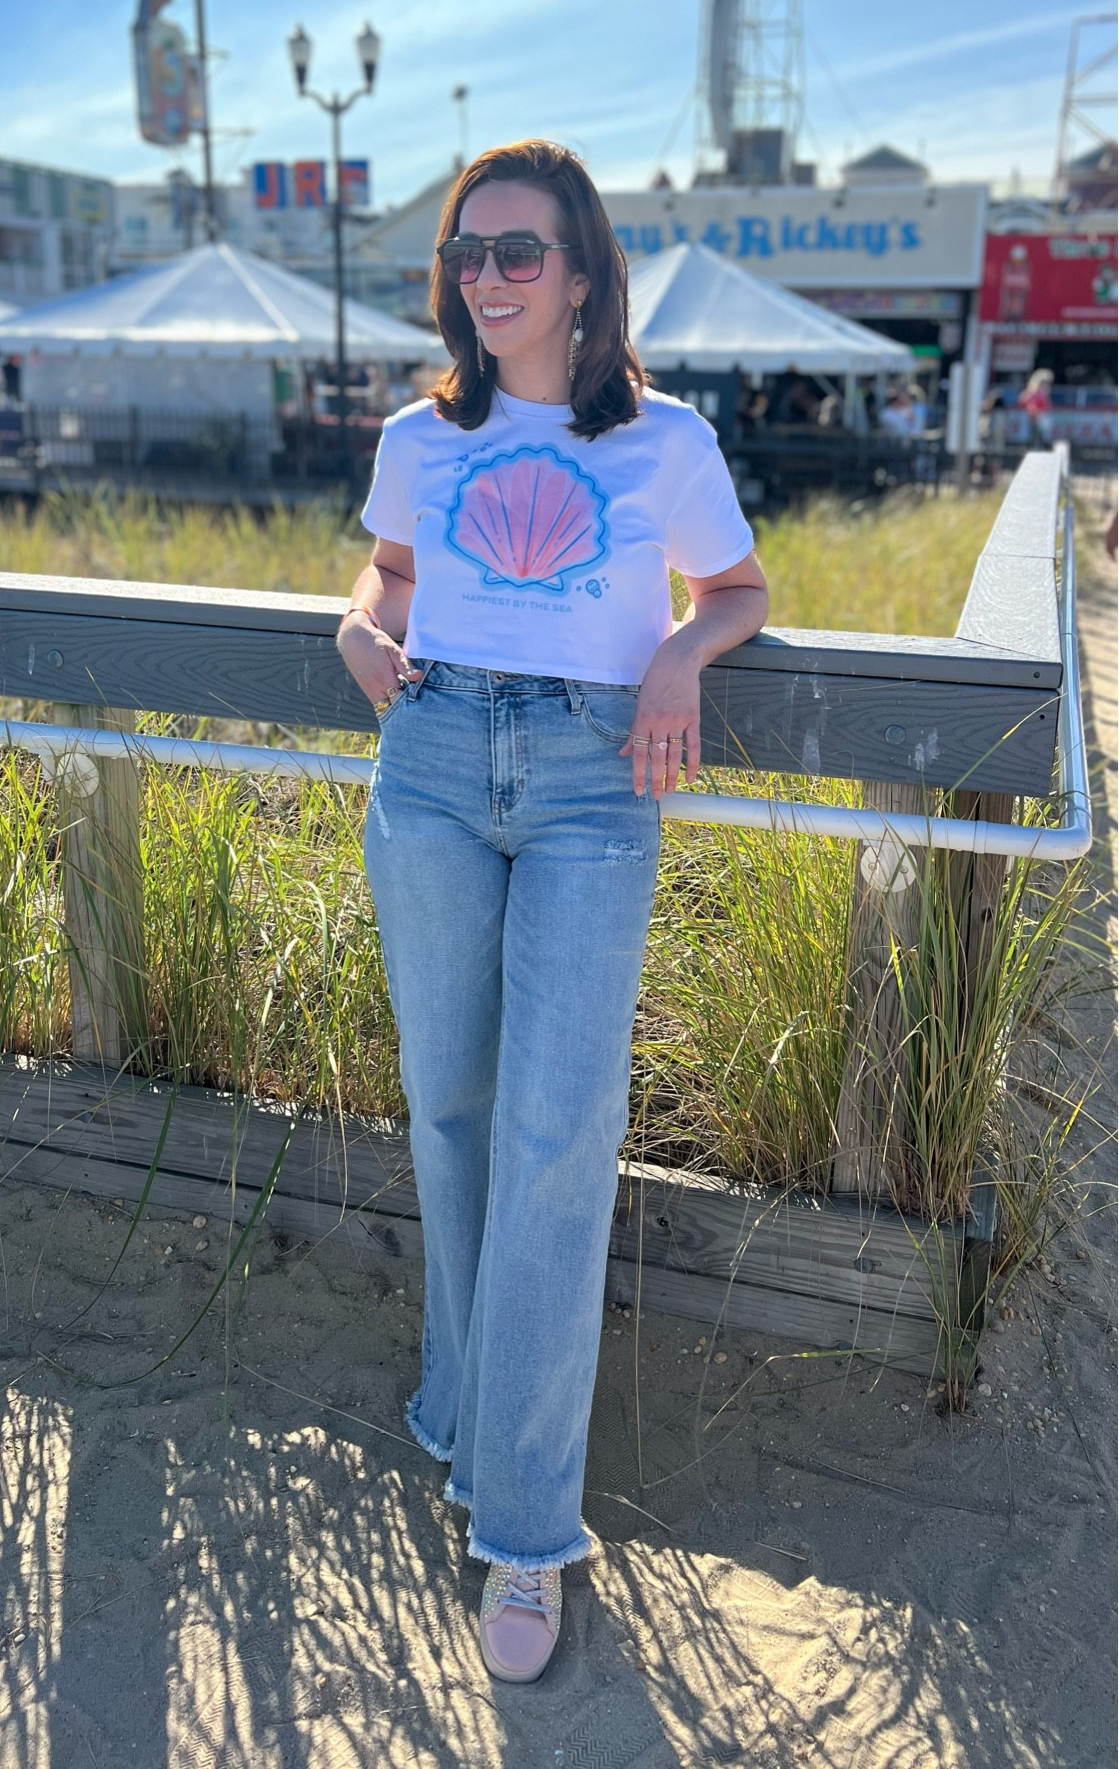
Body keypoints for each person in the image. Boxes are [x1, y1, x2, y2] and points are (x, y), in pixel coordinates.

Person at [336, 141, 768, 1685]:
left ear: (584, 271)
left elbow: (738, 587)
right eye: (469, 254)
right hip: (438, 760)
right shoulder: (418, 434)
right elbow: (389, 577)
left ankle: (524, 1530)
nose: (490, 279)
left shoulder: (665, 439)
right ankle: (465, 1395)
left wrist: (674, 656)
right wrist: (357, 622)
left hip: (593, 779)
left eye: (521, 253)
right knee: (447, 1107)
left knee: (556, 1134)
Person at [1018, 367, 1054, 447]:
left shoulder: (1044, 392)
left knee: (1040, 435)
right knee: (1032, 435)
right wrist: (1032, 409)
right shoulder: (1032, 391)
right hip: (1032, 417)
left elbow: (1047, 405)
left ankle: (1038, 447)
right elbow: (1022, 400)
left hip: (1040, 417)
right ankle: (1032, 447)